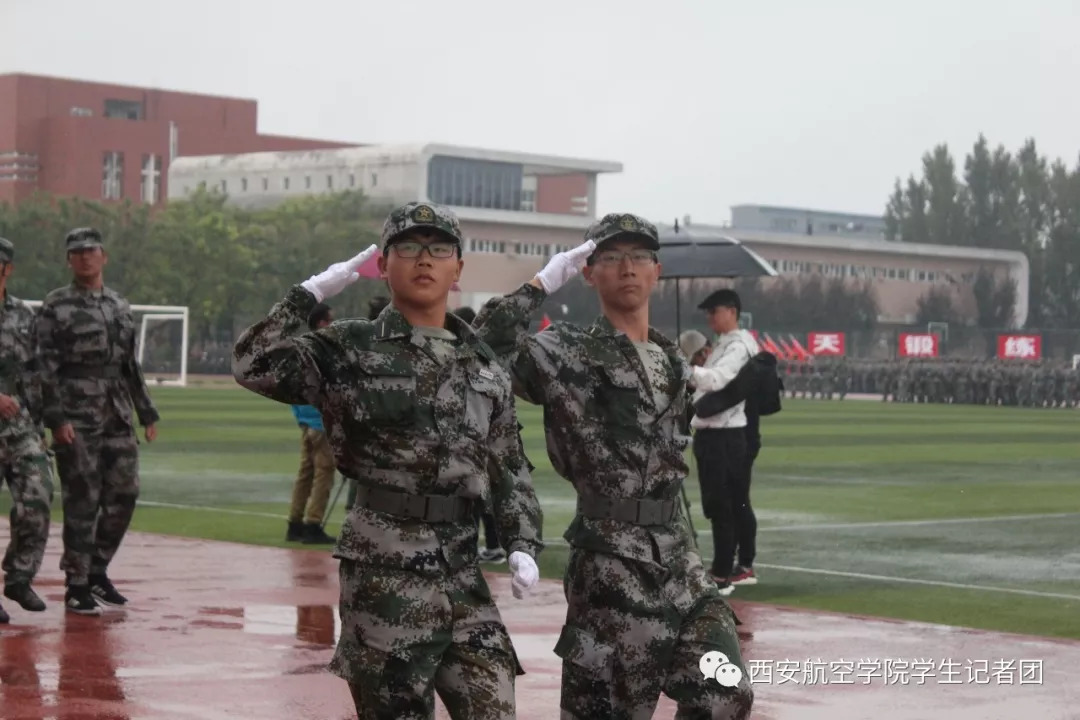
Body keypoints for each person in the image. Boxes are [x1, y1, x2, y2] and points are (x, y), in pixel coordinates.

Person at [232, 202, 543, 720]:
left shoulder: (483, 362)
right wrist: (306, 296)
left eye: (439, 248)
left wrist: (522, 540)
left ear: (458, 269)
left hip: (463, 572)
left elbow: (507, 461)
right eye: (408, 247)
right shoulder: (348, 347)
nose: (425, 259)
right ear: (383, 263)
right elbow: (252, 364)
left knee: (495, 708)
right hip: (384, 571)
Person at [474, 213, 752, 719]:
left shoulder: (671, 360)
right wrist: (541, 282)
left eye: (640, 256)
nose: (628, 267)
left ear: (656, 271)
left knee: (724, 693)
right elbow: (480, 350)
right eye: (611, 257)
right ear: (588, 271)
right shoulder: (564, 351)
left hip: (679, 561)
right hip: (609, 564)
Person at [38, 227, 160, 616]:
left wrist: (146, 411)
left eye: (90, 251)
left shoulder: (119, 306)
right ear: (69, 260)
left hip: (116, 413)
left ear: (103, 256)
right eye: (76, 253)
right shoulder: (55, 307)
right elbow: (43, 368)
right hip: (77, 416)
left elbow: (128, 365)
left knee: (125, 493)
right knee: (82, 499)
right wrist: (55, 419)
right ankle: (76, 583)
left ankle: (97, 569)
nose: (84, 258)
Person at [687, 289, 760, 594]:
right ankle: (732, 566)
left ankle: (722, 573)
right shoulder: (726, 344)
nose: (709, 317)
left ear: (731, 311)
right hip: (715, 434)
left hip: (725, 436)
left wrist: (685, 371)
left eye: (713, 311)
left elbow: (717, 379)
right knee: (724, 503)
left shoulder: (739, 346)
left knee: (724, 505)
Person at [0, 237, 55, 623]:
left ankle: (19, 576)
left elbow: (36, 372)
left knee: (38, 494)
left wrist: (42, 422)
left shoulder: (22, 315)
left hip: (18, 425)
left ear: (8, 269)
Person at [453, 304, 505, 564]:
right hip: (481, 440)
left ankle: (476, 545)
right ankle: (487, 545)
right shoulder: (482, 356)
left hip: (471, 441)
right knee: (481, 497)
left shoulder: (469, 357)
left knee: (474, 497)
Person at [285, 302, 338, 545]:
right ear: (321, 323)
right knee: (323, 474)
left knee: (305, 474)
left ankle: (294, 523)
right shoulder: (324, 351)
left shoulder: (299, 349)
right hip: (321, 422)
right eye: (330, 320)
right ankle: (313, 524)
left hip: (305, 421)